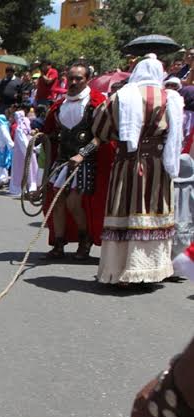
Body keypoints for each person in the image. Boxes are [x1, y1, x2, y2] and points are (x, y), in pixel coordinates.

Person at [92, 55, 184, 284]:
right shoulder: (170, 97)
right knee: (152, 212)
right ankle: (149, 270)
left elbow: (100, 128)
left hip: (127, 162)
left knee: (124, 210)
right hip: (157, 165)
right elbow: (176, 134)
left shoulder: (121, 96)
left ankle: (118, 270)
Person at [41, 62, 111, 261]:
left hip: (86, 161)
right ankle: (59, 243)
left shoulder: (96, 103)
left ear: (87, 79)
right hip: (62, 160)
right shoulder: (59, 106)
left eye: (78, 78)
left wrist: (82, 155)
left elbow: (101, 136)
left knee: (73, 202)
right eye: (70, 78)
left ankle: (84, 240)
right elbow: (53, 132)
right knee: (57, 201)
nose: (73, 82)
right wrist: (43, 137)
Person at [9, 110, 38, 197]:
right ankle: (30, 187)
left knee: (21, 170)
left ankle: (20, 188)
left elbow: (23, 142)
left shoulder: (19, 129)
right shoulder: (27, 127)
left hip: (22, 153)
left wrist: (28, 150)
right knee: (30, 169)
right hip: (28, 151)